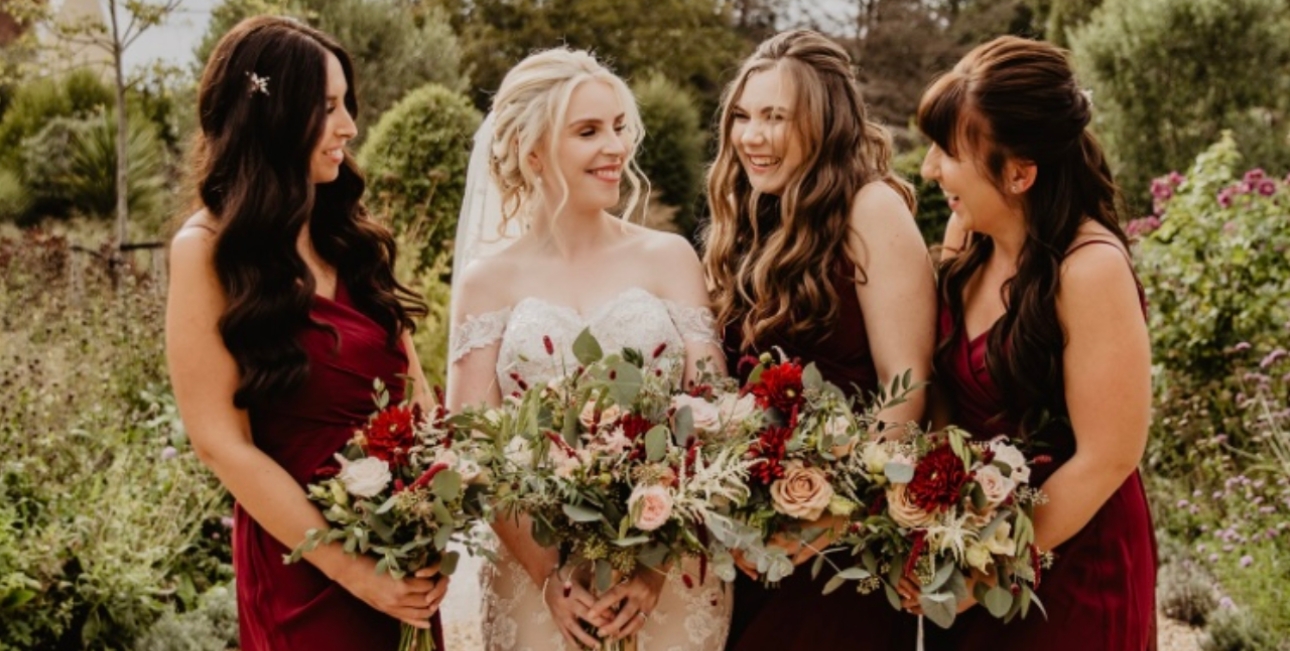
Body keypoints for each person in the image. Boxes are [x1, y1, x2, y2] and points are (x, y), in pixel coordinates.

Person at [165, 16, 447, 650]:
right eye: (327, 107)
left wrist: (437, 501)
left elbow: (418, 394)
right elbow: (219, 443)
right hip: (305, 565)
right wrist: (357, 573)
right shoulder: (207, 250)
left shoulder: (348, 239)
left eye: (347, 104)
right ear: (271, 118)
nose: (348, 126)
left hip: (401, 557)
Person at [445, 47, 732, 651]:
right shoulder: (486, 281)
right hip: (537, 583)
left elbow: (713, 415)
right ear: (533, 153)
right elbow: (473, 446)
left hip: (670, 578)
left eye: (619, 128)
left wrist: (653, 565)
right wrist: (549, 576)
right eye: (588, 131)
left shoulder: (670, 258)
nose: (616, 148)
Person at [915, 35, 1157, 650]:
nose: (929, 170)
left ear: (1020, 173)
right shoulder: (966, 236)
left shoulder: (1091, 270)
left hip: (1069, 567)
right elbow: (946, 388)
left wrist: (983, 566)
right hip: (968, 551)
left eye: (948, 153)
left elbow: (1109, 456)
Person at [702, 28, 936, 651]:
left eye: (776, 117)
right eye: (744, 116)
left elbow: (906, 388)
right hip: (749, 541)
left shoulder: (872, 209)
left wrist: (823, 522)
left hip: (836, 553)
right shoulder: (754, 219)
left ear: (826, 122)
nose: (752, 136)